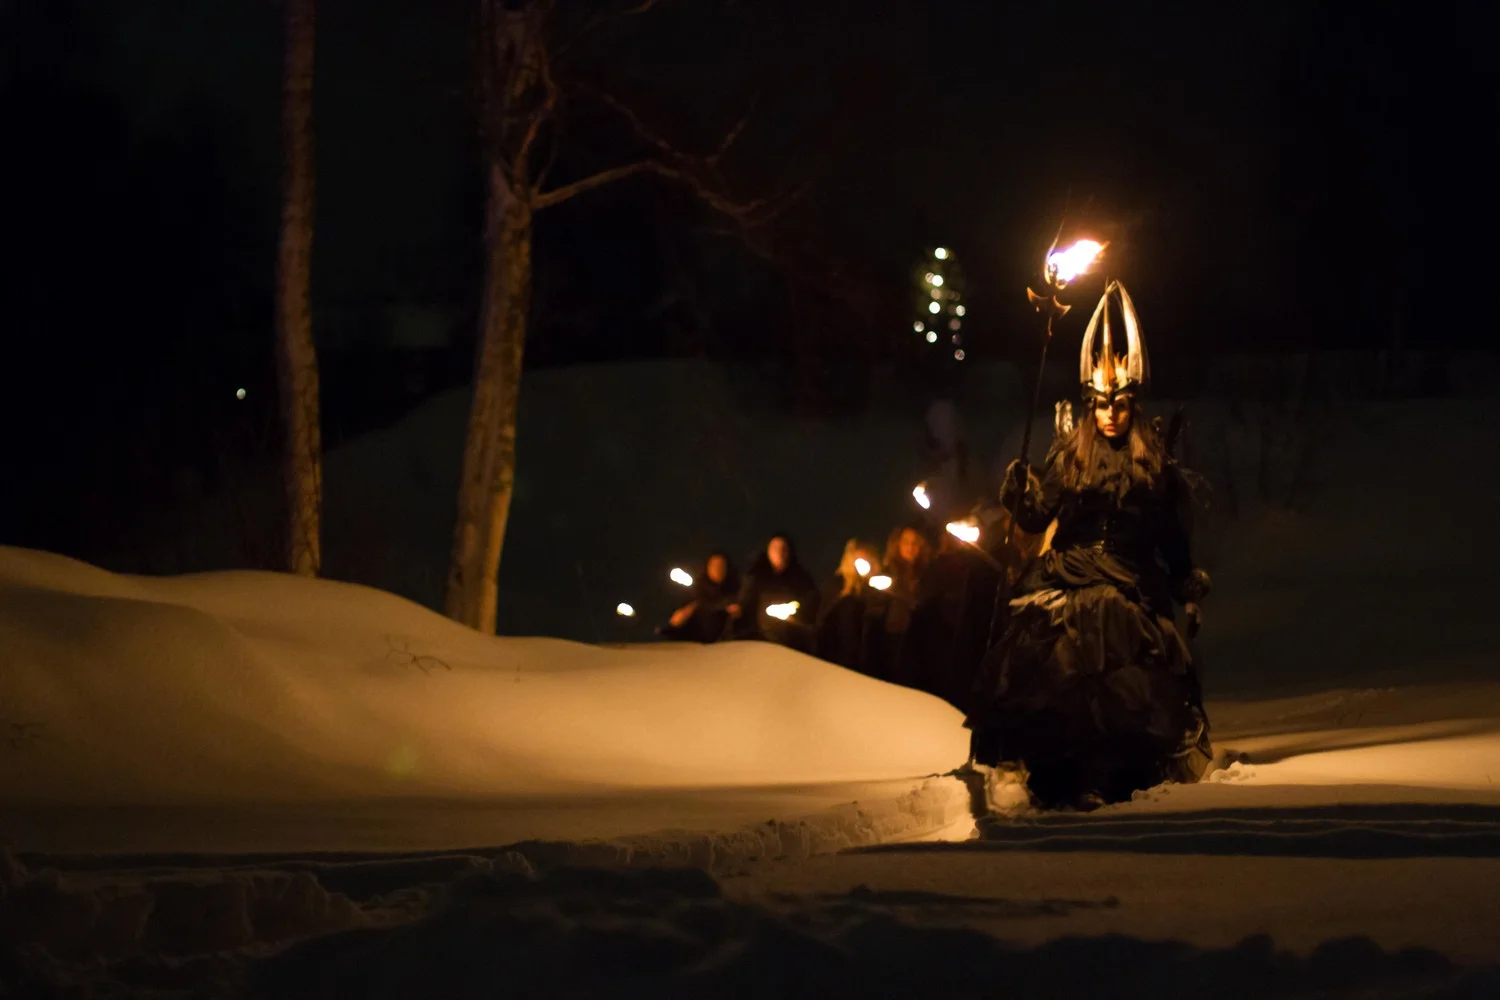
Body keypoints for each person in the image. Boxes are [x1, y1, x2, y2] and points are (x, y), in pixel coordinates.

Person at [966, 281, 1212, 810]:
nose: (1110, 414)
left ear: (1133, 404)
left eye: (1119, 403)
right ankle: (1058, 774)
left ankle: (1113, 775)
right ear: (1088, 406)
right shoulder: (1068, 458)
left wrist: (1185, 582)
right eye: (1100, 404)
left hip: (1128, 580)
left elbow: (1171, 536)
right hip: (1066, 574)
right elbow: (1038, 515)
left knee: (1123, 668)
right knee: (1052, 665)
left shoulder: (1154, 467)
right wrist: (1018, 494)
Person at [728, 533, 821, 653]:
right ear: (768, 551)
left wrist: (794, 609)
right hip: (763, 643)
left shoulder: (801, 578)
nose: (779, 552)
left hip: (793, 643)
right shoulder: (756, 578)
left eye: (783, 548)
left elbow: (811, 602)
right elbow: (745, 606)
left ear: (789, 552)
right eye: (775, 548)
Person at [815, 538, 882, 672]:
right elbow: (824, 622)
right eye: (858, 556)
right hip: (839, 660)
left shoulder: (877, 586)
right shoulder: (837, 585)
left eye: (867, 556)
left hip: (870, 662)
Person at [657, 552, 739, 644]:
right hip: (697, 642)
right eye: (714, 565)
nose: (717, 569)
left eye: (721, 565)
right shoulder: (697, 591)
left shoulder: (736, 590)